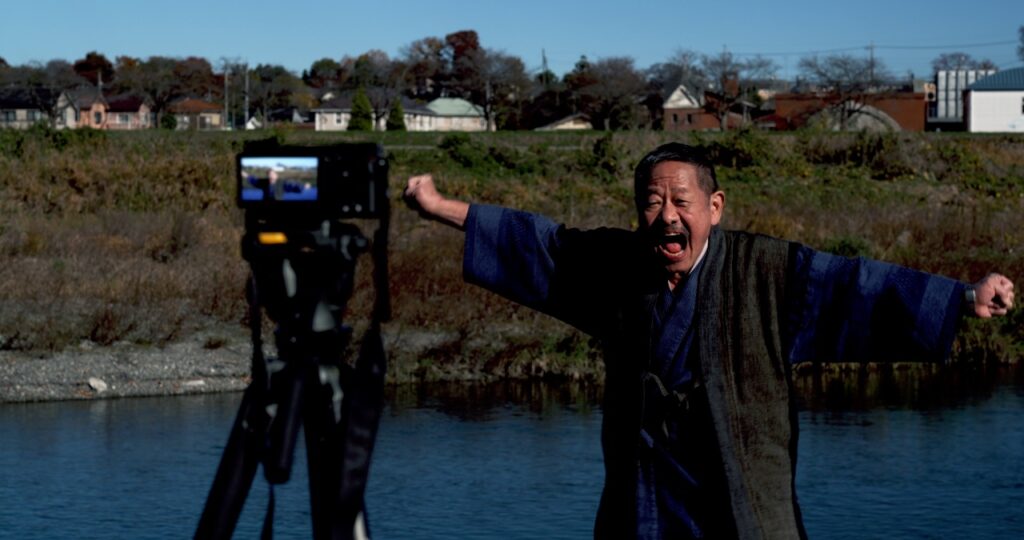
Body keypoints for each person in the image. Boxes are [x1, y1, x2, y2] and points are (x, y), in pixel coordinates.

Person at [402, 142, 1015, 539]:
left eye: (682, 201)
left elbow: (857, 286)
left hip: (739, 506)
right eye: (653, 202)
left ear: (714, 207)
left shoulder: (766, 273)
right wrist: (436, 207)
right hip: (645, 507)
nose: (668, 215)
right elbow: (540, 245)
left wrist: (962, 296)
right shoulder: (620, 268)